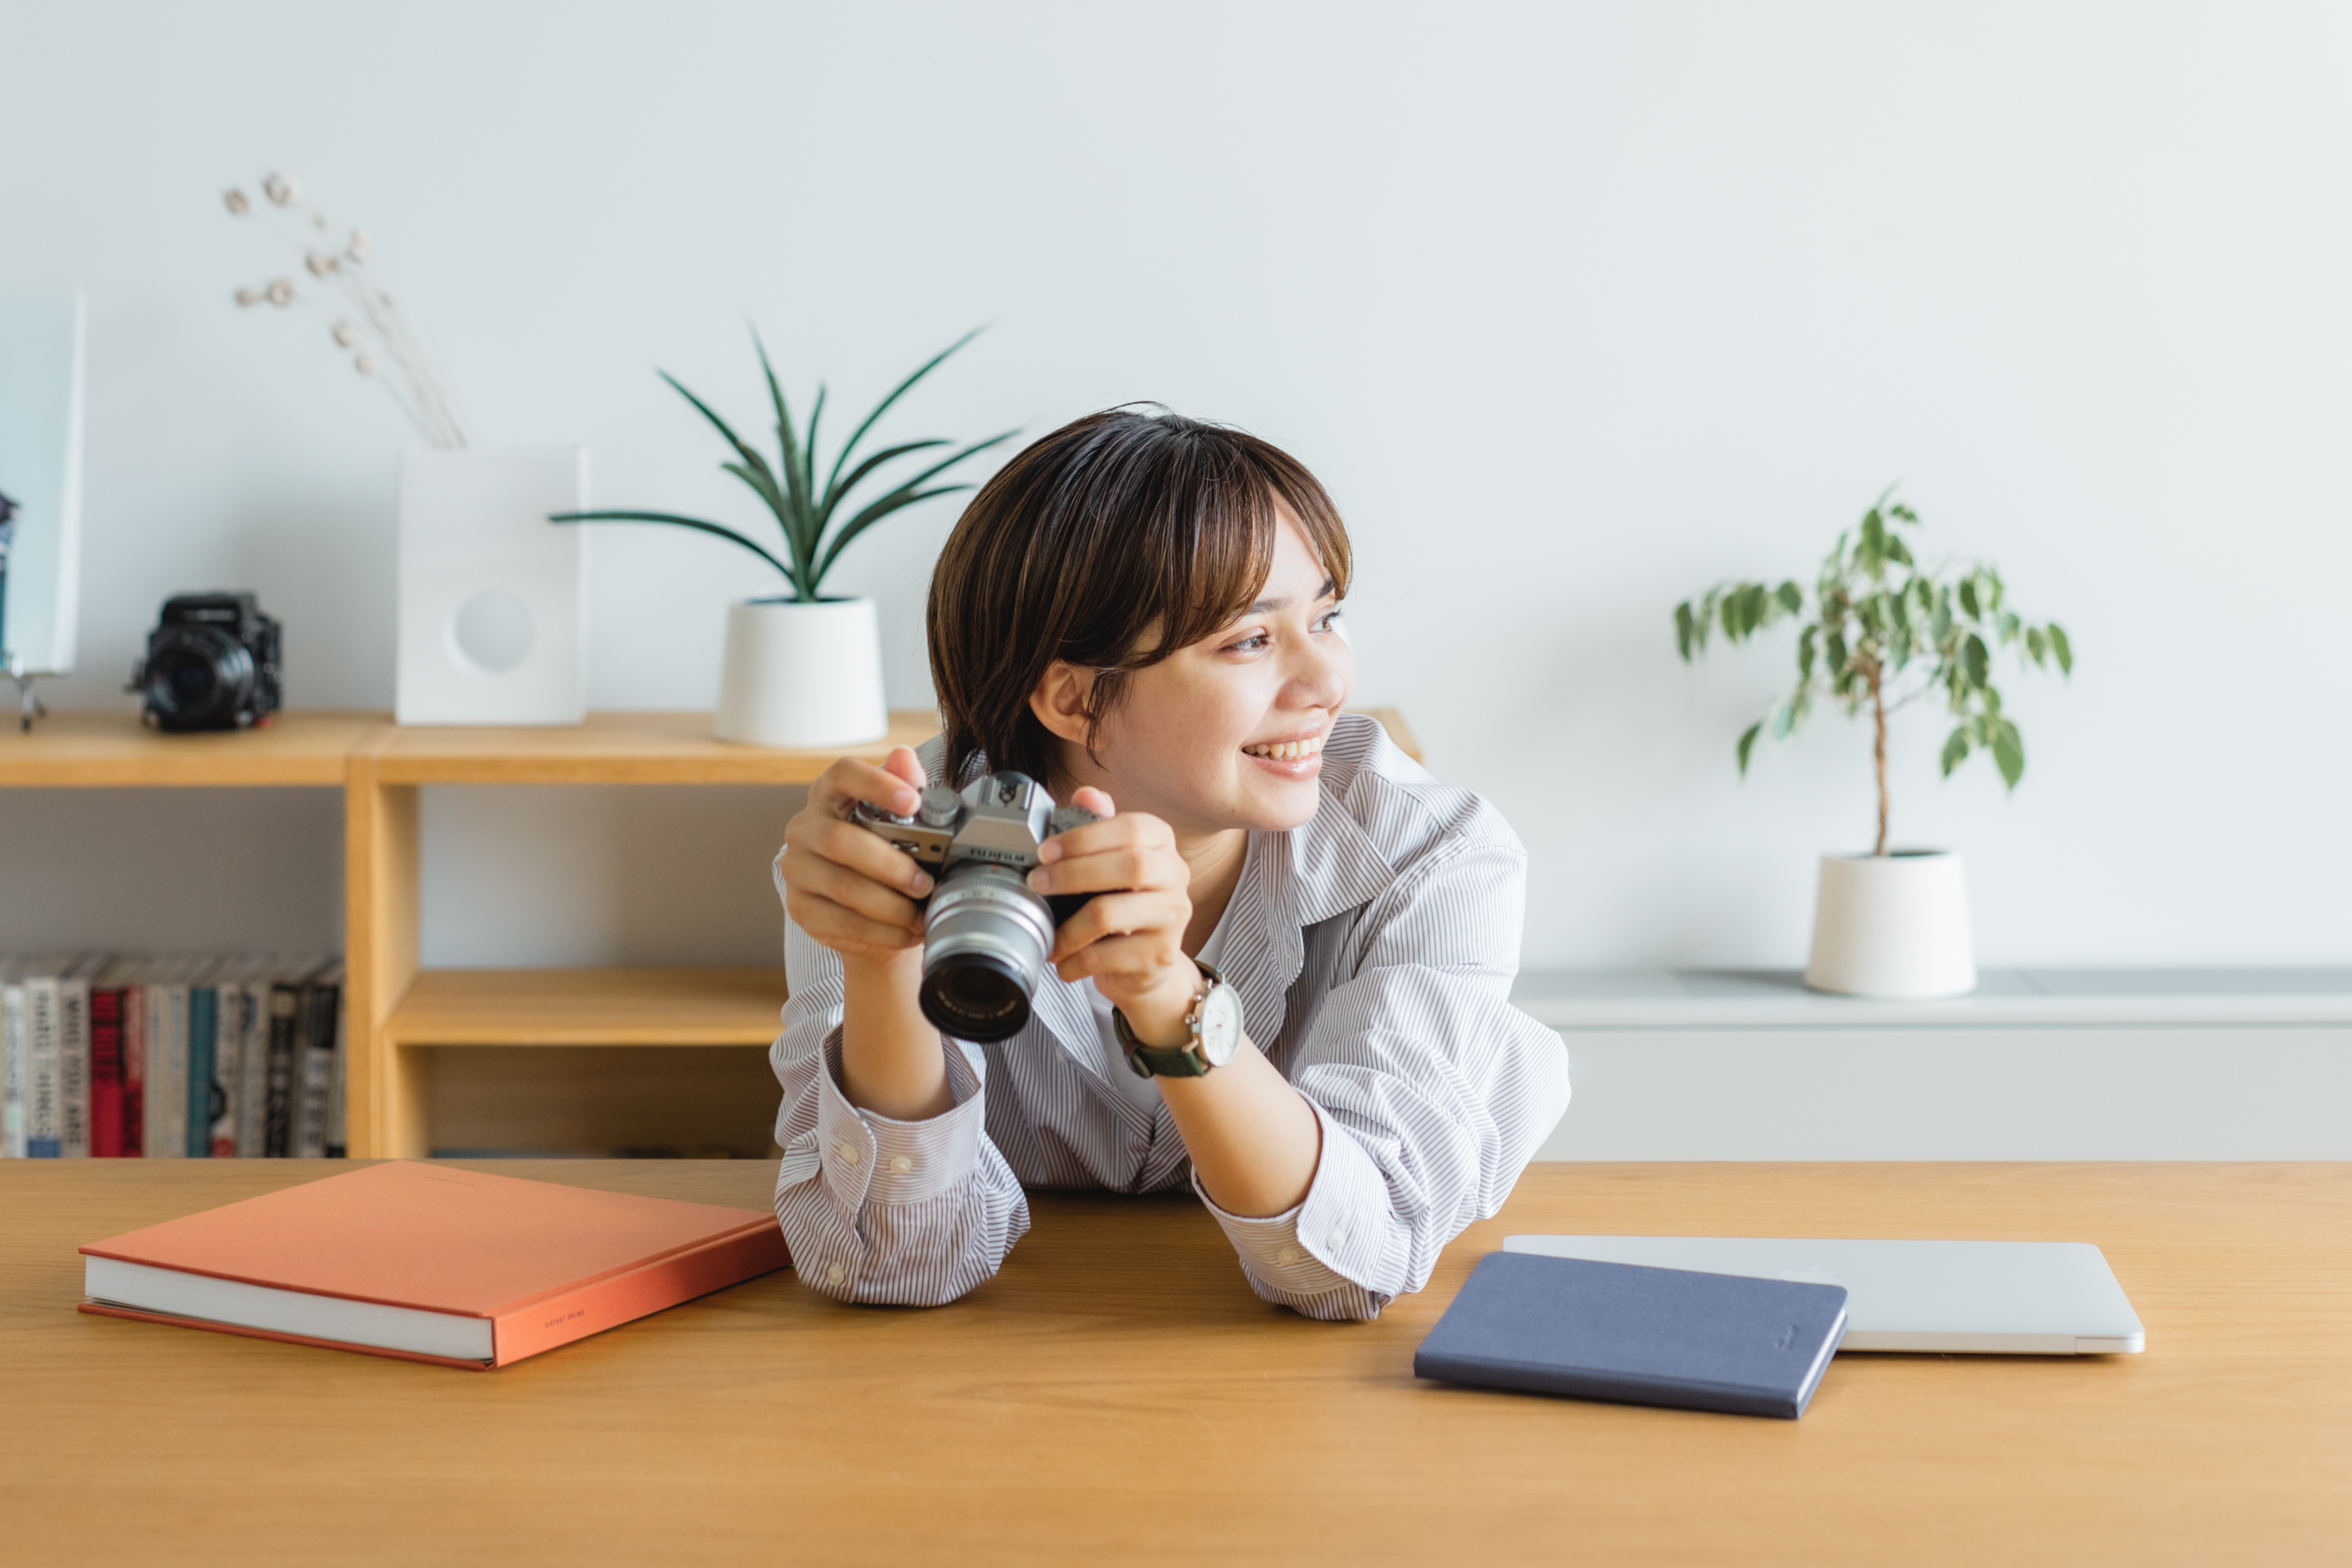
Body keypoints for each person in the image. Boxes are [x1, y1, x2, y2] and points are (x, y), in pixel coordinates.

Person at [770, 408, 1568, 1321]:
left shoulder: (1432, 855)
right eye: (1251, 640)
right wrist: (883, 958)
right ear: (1072, 697)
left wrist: (1169, 994)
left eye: (1326, 616)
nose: (1328, 681)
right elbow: (893, 1266)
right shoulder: (882, 849)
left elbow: (1350, 1270)